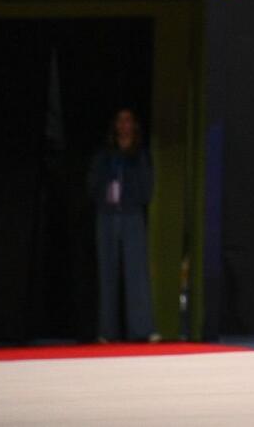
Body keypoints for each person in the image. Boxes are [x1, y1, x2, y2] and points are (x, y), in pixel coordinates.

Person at [86, 108, 159, 343]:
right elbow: (92, 184)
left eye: (129, 120)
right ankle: (107, 331)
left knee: (136, 274)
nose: (124, 125)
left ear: (134, 126)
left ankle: (141, 329)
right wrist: (103, 198)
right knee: (107, 274)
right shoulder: (105, 156)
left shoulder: (140, 156)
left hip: (131, 216)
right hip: (107, 216)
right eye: (120, 120)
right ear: (115, 126)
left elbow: (147, 187)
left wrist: (132, 199)